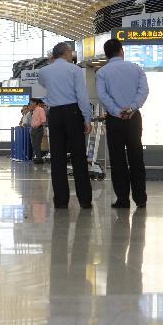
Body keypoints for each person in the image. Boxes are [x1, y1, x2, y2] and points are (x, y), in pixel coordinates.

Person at [95, 38, 149, 209]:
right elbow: (144, 90)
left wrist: (117, 111)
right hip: (133, 118)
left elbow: (102, 96)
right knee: (136, 158)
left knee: (117, 160)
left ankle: (123, 200)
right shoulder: (136, 68)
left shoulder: (102, 72)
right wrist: (132, 107)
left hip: (114, 120)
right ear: (121, 51)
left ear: (106, 55)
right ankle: (140, 199)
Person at [38, 42, 93, 209]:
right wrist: (87, 118)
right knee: (78, 156)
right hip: (73, 112)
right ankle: (84, 200)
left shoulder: (44, 71)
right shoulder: (75, 69)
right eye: (71, 53)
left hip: (55, 114)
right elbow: (81, 95)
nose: (72, 56)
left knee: (57, 157)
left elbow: (43, 84)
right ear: (66, 53)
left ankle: (61, 201)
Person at [29, 98, 47, 164]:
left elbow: (43, 120)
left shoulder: (40, 110)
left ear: (35, 103)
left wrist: (38, 126)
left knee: (37, 144)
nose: (30, 104)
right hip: (33, 129)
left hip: (38, 129)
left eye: (31, 102)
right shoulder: (33, 111)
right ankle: (38, 158)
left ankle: (39, 159)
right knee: (34, 145)